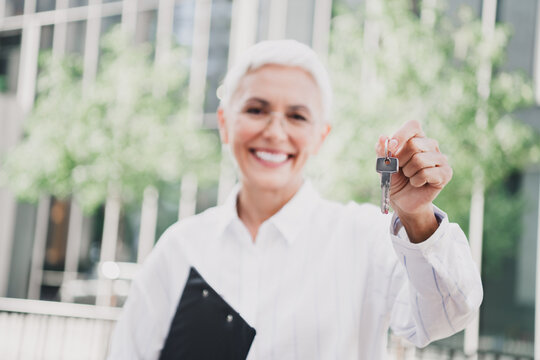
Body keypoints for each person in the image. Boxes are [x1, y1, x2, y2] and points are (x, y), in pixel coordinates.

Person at [108, 39, 482, 360]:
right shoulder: (181, 247)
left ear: (321, 135)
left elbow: (449, 313)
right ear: (224, 122)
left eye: (297, 116)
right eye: (256, 110)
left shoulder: (365, 236)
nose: (275, 131)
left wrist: (417, 216)